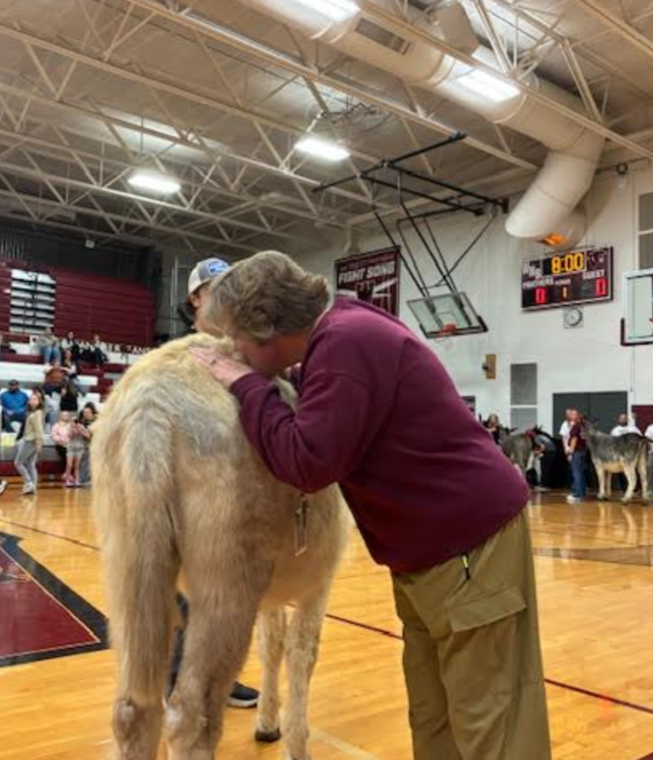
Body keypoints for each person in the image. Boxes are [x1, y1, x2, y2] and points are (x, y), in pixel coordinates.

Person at [192, 251, 551, 757]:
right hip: (429, 554)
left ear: (269, 327)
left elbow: (309, 462)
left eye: (240, 342)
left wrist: (247, 385)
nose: (236, 354)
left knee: (492, 719)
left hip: (468, 546)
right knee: (435, 714)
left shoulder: (346, 342)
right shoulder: (340, 334)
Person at [171, 254, 260, 711]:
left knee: (223, 595)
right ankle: (179, 683)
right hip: (188, 487)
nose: (224, 298)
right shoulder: (179, 357)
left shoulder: (245, 356)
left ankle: (218, 678)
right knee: (185, 592)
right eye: (214, 290)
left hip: (232, 489)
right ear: (195, 298)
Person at [15, 388, 46, 496]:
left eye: (35, 399)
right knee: (31, 464)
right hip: (31, 439)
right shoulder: (34, 412)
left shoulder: (37, 413)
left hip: (31, 440)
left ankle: (29, 482)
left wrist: (39, 442)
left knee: (18, 463)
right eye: (31, 399)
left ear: (39, 402)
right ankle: (33, 487)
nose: (32, 401)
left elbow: (39, 429)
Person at [567, 410, 588, 505]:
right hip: (583, 451)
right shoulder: (584, 427)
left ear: (578, 417)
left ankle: (577, 494)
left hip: (577, 452)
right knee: (581, 472)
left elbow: (574, 439)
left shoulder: (576, 426)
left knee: (576, 472)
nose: (571, 416)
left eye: (573, 414)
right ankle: (582, 493)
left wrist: (570, 452)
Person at [76, 403, 97, 486]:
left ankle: (85, 480)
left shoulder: (97, 421)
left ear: (92, 412)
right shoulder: (83, 422)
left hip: (94, 445)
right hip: (86, 445)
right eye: (84, 413)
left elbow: (92, 437)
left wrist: (85, 432)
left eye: (88, 413)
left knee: (87, 455)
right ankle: (82, 479)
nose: (86, 414)